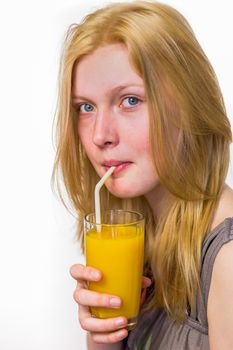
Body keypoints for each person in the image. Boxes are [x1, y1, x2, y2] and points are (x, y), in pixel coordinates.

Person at [52, 1, 233, 349]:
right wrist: (103, 339)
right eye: (85, 107)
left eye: (129, 101)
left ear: (191, 103)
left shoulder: (226, 260)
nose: (99, 135)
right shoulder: (145, 239)